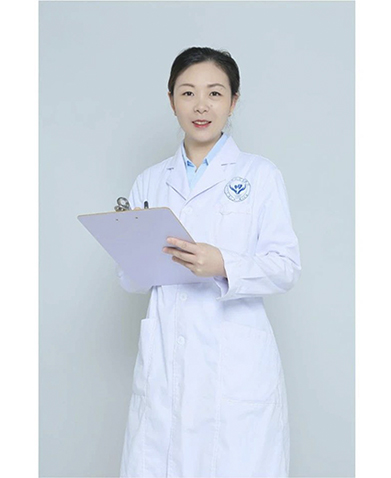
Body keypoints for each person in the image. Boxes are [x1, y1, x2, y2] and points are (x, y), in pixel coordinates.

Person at [117, 46, 301, 477]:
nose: (201, 106)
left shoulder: (260, 175)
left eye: (214, 93)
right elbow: (129, 279)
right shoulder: (150, 180)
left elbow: (285, 266)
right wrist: (133, 250)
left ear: (233, 101)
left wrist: (223, 264)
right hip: (167, 354)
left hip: (233, 362)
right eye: (188, 93)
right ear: (171, 101)